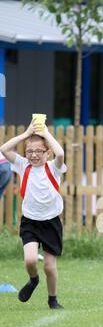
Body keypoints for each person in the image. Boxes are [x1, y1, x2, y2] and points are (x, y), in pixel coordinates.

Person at [0, 119, 66, 309]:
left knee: (49, 266)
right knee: (30, 260)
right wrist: (27, 134)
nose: (34, 155)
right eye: (30, 151)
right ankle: (33, 280)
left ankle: (52, 299)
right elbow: (4, 149)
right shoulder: (23, 165)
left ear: (47, 153)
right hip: (30, 221)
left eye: (39, 151)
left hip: (51, 222)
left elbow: (60, 152)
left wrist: (45, 134)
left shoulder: (53, 167)